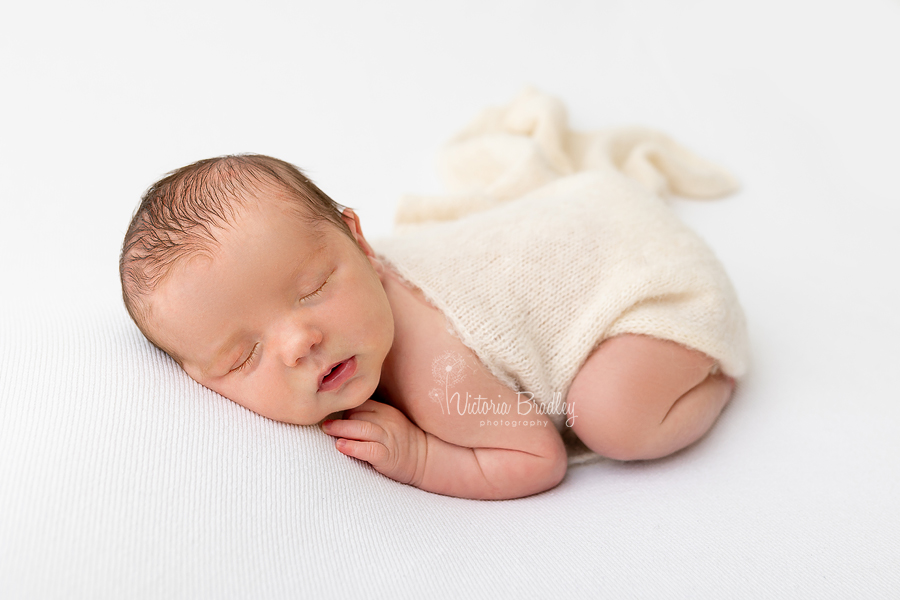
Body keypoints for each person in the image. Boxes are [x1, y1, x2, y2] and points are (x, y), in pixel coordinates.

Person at [120, 92, 749, 500]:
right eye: (241, 357)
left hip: (636, 273)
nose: (298, 342)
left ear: (362, 243)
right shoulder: (331, 283)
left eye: (313, 288)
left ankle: (715, 378)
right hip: (581, 218)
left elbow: (536, 457)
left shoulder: (436, 374)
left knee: (613, 417)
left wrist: (420, 456)